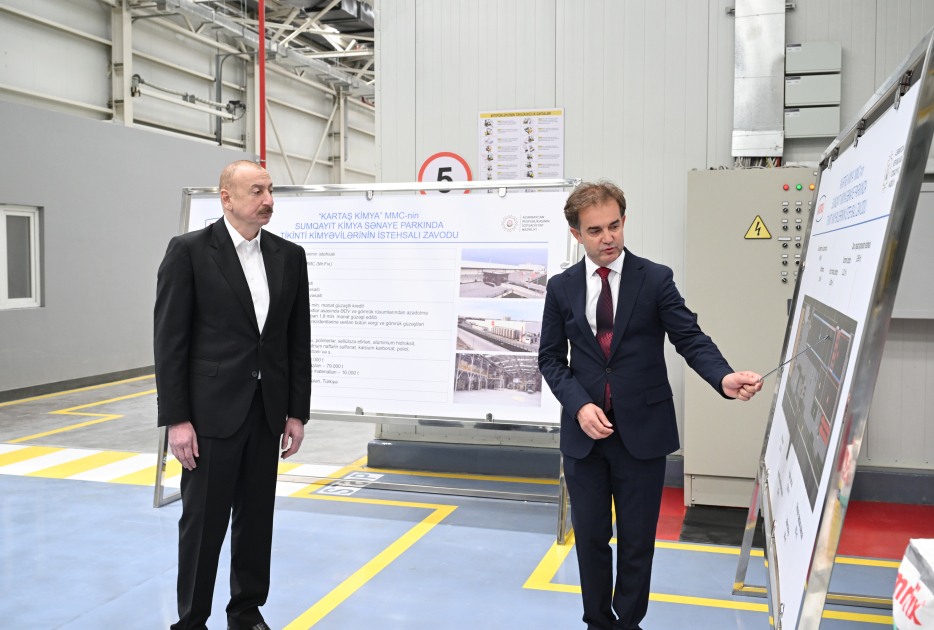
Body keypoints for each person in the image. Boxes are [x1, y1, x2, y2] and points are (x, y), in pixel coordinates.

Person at [538, 180, 762, 630]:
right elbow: (550, 358)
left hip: (642, 435)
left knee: (637, 542)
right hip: (585, 437)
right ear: (576, 234)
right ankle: (597, 622)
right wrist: (579, 406)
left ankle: (629, 624)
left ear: (624, 221)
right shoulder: (561, 287)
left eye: (615, 225)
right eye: (595, 230)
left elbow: (689, 337)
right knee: (591, 540)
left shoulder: (655, 279)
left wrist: (723, 377)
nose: (608, 238)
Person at [154, 159, 311, 630]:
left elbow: (296, 341)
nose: (268, 201)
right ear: (226, 197)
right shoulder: (189, 252)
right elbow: (170, 342)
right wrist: (177, 419)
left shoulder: (289, 256)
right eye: (256, 191)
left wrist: (296, 412)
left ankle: (245, 610)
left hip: (266, 414)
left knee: (256, 519)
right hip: (209, 417)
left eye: (270, 190)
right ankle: (191, 619)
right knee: (203, 523)